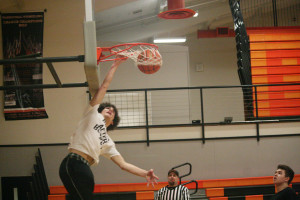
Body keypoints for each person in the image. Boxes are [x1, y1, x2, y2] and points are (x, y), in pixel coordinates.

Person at [59, 55, 159, 200]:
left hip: (86, 168)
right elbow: (104, 86)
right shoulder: (92, 113)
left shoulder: (107, 141)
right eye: (107, 108)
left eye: (113, 111)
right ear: (100, 110)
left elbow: (123, 164)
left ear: (112, 121)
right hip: (73, 162)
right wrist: (115, 65)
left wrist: (144, 173)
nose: (110, 109)